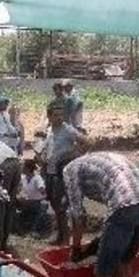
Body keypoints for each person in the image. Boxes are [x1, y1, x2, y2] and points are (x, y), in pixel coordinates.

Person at [39, 102, 87, 244]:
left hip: (61, 174)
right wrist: (43, 156)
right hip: (49, 172)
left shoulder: (68, 129)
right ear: (49, 116)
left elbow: (87, 143)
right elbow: (49, 147)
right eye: (56, 115)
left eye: (61, 114)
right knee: (54, 205)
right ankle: (61, 236)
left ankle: (65, 239)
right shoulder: (50, 129)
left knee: (61, 207)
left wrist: (72, 155)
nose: (59, 117)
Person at [18, 158, 48, 236]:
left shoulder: (37, 178)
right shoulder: (23, 177)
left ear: (27, 168)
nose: (21, 167)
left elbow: (43, 192)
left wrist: (41, 191)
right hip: (27, 201)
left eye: (22, 166)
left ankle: (35, 231)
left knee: (43, 205)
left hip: (37, 202)